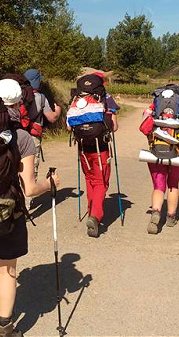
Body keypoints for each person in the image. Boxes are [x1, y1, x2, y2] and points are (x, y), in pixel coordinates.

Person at [0, 78, 60, 337]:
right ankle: (5, 329)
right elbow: (29, 188)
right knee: (7, 269)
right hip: (7, 213)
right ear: (19, 104)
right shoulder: (23, 138)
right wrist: (50, 184)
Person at [71, 72, 119, 238]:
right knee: (101, 182)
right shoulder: (107, 97)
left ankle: (90, 210)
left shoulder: (77, 98)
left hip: (83, 147)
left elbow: (69, 126)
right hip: (102, 147)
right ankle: (95, 216)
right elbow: (114, 127)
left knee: (90, 179)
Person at [143, 89, 179, 234]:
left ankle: (156, 213)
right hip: (177, 153)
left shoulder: (153, 111)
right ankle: (171, 217)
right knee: (173, 184)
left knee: (158, 186)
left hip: (156, 152)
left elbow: (145, 128)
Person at [23, 69, 62, 183]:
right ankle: (28, 197)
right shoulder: (40, 97)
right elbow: (52, 117)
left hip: (17, 135)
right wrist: (58, 111)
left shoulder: (17, 95)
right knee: (31, 167)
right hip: (32, 136)